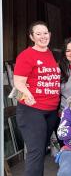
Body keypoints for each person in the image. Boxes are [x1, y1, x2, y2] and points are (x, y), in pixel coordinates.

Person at [13, 21, 61, 176]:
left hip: (51, 110)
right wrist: (27, 94)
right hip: (32, 110)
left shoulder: (52, 54)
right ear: (31, 36)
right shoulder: (26, 55)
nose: (43, 36)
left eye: (45, 33)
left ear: (50, 35)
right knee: (36, 151)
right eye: (38, 34)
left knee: (42, 150)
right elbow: (18, 82)